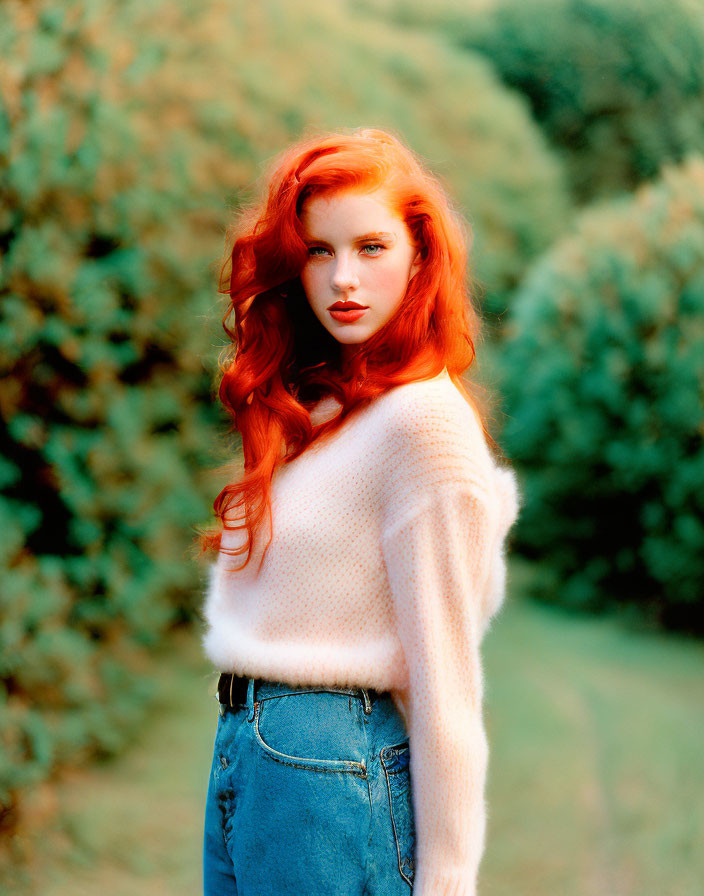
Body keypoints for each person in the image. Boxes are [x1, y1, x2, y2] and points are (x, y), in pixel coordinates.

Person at [198, 126, 521, 896]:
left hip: (330, 765)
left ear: (419, 256)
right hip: (252, 748)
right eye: (318, 250)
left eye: (371, 247)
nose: (344, 277)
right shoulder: (323, 407)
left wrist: (447, 881)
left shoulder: (426, 427)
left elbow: (447, 684)